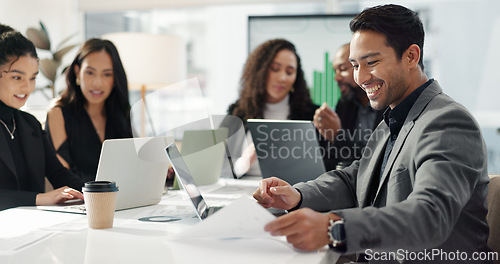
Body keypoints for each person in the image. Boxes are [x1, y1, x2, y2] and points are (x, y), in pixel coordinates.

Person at [253, 4, 491, 262]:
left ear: (411, 56)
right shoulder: (394, 116)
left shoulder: (447, 121)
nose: (360, 77)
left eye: (372, 62)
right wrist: (297, 195)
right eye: (355, 65)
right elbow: (355, 178)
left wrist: (334, 227)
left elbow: (430, 216)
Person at [0, 24, 84, 211]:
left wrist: (96, 192)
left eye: (33, 78)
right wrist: (39, 199)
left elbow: (59, 174)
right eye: (17, 77)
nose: (27, 88)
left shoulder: (30, 124)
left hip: (35, 228)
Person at [227, 39, 324, 176]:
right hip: (244, 191)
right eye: (275, 69)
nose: (282, 78)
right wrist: (243, 164)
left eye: (289, 72)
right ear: (260, 71)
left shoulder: (311, 115)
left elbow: (321, 171)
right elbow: (221, 169)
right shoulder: (237, 112)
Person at [46, 38, 133, 183]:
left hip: (119, 199)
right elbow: (62, 176)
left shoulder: (120, 113)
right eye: (90, 73)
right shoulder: (58, 113)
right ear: (77, 72)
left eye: (107, 74)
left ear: (115, 79)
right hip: (78, 201)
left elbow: (129, 168)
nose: (97, 83)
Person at [314, 43, 384, 169]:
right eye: (335, 71)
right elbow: (337, 158)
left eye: (342, 69)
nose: (336, 77)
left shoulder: (387, 103)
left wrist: (337, 136)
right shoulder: (345, 104)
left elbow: (378, 161)